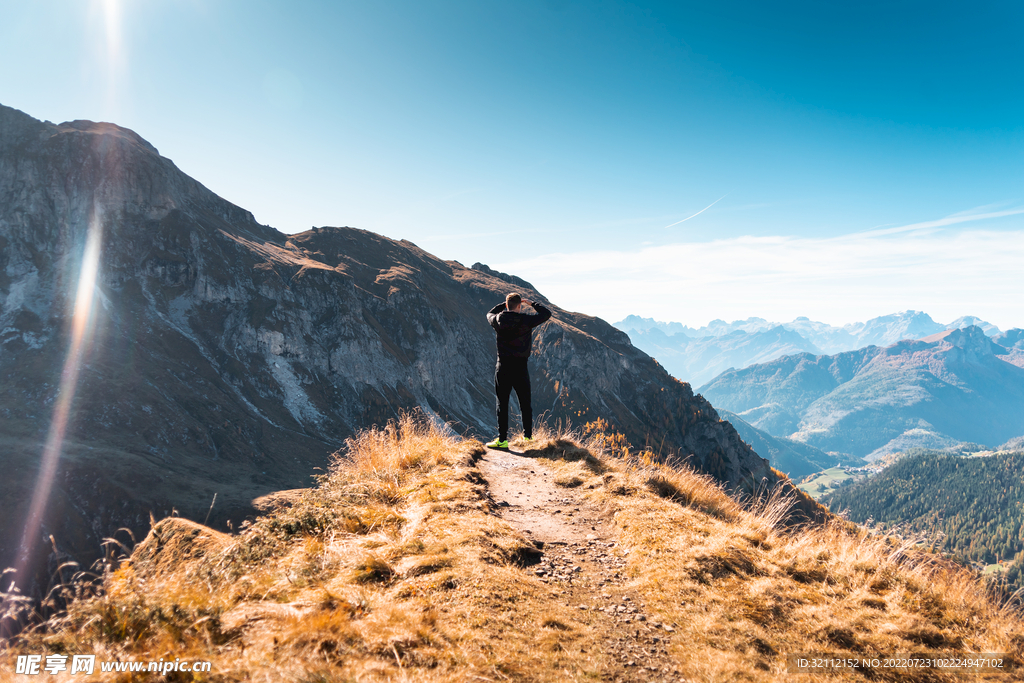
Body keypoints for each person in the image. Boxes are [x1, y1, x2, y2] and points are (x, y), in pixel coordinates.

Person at [485, 292, 552, 448]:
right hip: (521, 367)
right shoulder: (526, 320)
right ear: (519, 306)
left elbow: (489, 313)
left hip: (503, 366)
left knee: (502, 403)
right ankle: (527, 437)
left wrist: (504, 305)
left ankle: (502, 440)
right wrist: (531, 303)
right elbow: (546, 314)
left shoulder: (497, 320)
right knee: (525, 403)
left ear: (507, 305)